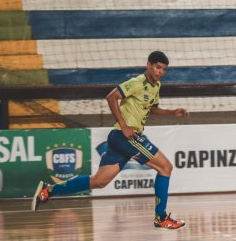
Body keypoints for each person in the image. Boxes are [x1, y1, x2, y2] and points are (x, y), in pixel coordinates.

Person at [31, 51, 189, 230]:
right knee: (165, 168)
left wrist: (171, 112)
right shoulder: (137, 82)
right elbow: (111, 97)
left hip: (119, 138)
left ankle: (48, 190)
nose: (160, 72)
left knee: (99, 181)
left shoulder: (155, 86)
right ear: (148, 65)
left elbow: (152, 109)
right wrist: (124, 125)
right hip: (127, 136)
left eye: (164, 69)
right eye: (158, 67)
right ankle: (161, 217)